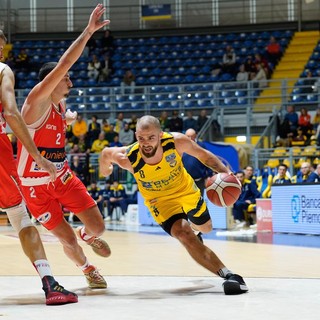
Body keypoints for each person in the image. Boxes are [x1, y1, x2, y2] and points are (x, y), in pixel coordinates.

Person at [17, 4, 111, 290]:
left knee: (98, 227)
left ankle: (87, 235)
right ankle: (87, 268)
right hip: (34, 185)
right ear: (52, 81)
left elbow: (54, 129)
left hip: (61, 176)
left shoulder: (60, 104)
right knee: (65, 238)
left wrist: (66, 119)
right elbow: (63, 64)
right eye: (66, 77)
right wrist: (88, 31)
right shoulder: (36, 100)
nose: (70, 78)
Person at [99, 115, 248, 295]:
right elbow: (105, 153)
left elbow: (204, 156)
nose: (145, 142)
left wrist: (227, 173)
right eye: (141, 138)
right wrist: (105, 169)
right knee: (183, 234)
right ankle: (230, 276)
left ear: (160, 135)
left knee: (206, 228)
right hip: (160, 202)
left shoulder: (176, 142)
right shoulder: (128, 157)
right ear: (136, 135)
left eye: (151, 137)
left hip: (185, 191)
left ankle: (197, 232)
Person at [0, 30, 77, 305]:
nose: (1, 54)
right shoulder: (3, 70)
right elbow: (11, 112)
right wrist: (37, 155)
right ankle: (50, 284)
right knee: (19, 216)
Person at [182, 128, 213, 196]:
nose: (189, 138)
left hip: (199, 180)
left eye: (191, 136)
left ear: (195, 136)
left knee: (199, 201)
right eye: (187, 136)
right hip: (186, 181)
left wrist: (209, 175)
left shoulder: (201, 146)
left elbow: (208, 160)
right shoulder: (181, 146)